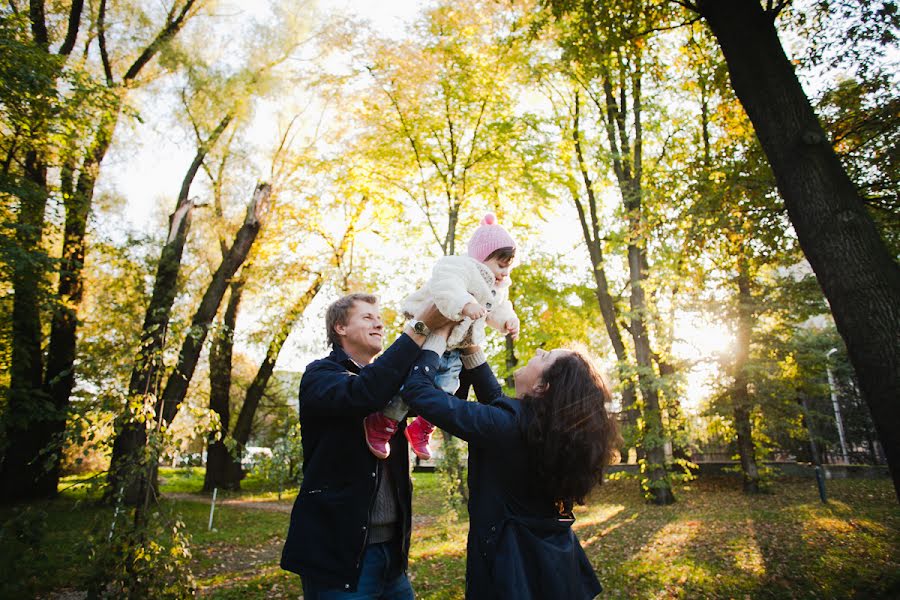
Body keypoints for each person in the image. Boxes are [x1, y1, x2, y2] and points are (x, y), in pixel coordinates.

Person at [400, 331, 620, 599]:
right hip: (551, 567)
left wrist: (434, 339)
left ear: (542, 387)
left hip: (511, 572)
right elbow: (498, 403)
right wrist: (471, 349)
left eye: (546, 356)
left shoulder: (509, 428)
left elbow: (418, 391)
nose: (539, 352)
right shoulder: (547, 430)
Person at [280, 292, 449, 599]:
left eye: (380, 318)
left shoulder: (394, 383)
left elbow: (442, 402)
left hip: (392, 558)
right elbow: (365, 393)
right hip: (339, 558)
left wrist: (453, 343)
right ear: (340, 328)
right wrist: (420, 326)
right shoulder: (320, 375)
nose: (379, 324)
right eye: (368, 317)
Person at [364, 213, 521, 462]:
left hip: (455, 346)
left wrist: (508, 321)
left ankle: (421, 427)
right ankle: (383, 421)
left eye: (509, 267)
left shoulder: (497, 287)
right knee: (411, 384)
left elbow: (499, 308)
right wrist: (466, 304)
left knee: (448, 388)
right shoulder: (461, 266)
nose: (504, 273)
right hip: (427, 337)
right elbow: (447, 286)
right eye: (501, 265)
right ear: (482, 257)